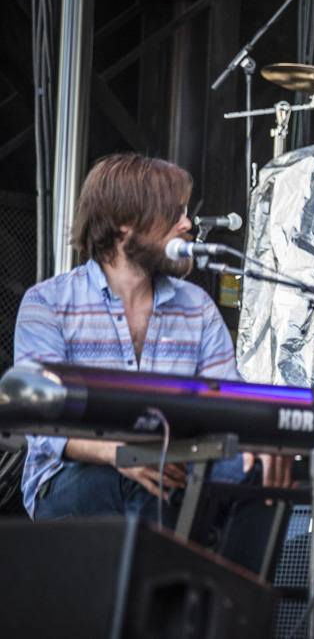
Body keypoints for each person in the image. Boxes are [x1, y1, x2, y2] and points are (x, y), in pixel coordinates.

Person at [14, 153, 290, 569]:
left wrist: (257, 441)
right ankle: (162, 602)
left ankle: (227, 601)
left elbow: (228, 401)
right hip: (66, 482)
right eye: (174, 213)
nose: (187, 224)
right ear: (125, 223)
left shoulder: (197, 306)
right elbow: (42, 426)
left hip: (173, 464)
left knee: (259, 476)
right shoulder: (47, 303)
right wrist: (121, 452)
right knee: (151, 478)